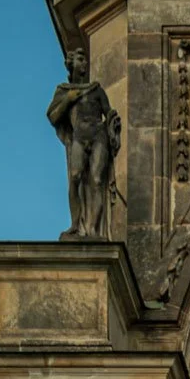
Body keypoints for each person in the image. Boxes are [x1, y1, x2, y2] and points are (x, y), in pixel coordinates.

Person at [47, 50, 122, 241]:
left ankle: (94, 230)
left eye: (85, 60)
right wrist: (68, 100)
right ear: (71, 64)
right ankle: (75, 224)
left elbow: (108, 111)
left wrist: (113, 123)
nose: (84, 63)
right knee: (75, 176)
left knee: (97, 180)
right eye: (80, 60)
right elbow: (53, 116)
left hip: (98, 135)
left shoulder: (96, 89)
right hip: (79, 136)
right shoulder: (64, 90)